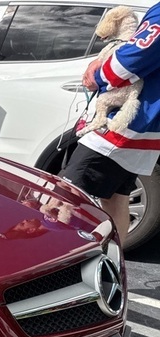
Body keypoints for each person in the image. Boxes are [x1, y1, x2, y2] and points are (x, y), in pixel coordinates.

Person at [61, 2, 160, 244]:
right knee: (117, 198)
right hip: (146, 126)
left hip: (125, 124)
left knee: (63, 195)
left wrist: (96, 74)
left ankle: (51, 270)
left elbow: (137, 55)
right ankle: (112, 266)